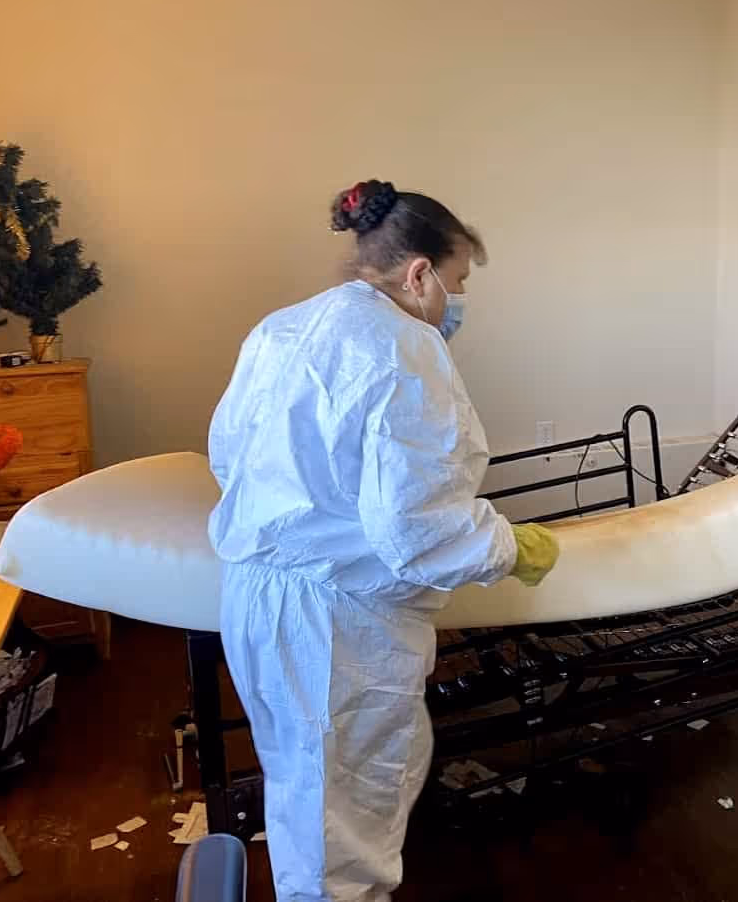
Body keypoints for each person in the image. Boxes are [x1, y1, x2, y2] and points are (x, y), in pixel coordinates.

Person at [207, 179, 560, 902]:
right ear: (420, 272)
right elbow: (415, 525)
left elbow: (230, 459)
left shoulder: (282, 329)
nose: (459, 301)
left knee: (302, 778)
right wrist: (504, 547)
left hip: (254, 594)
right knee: (346, 812)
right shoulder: (404, 346)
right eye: (460, 280)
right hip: (337, 620)